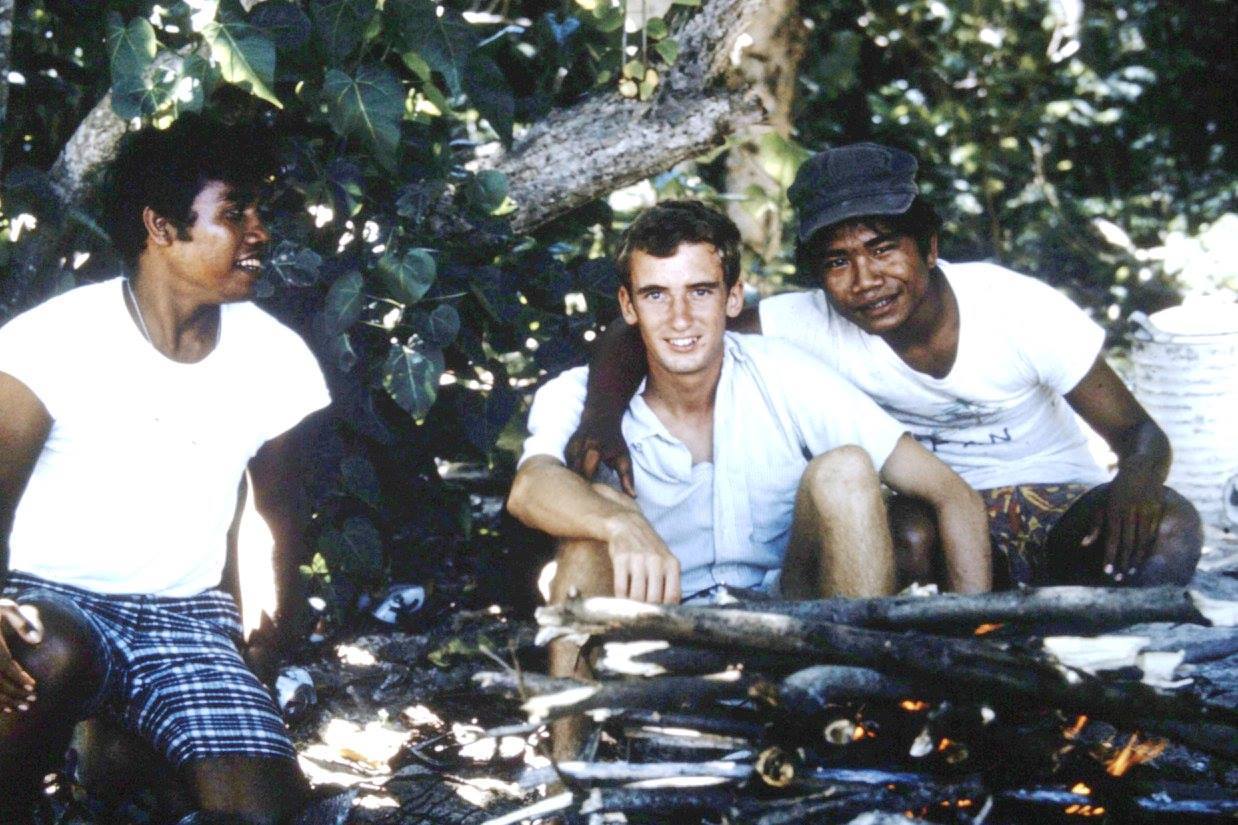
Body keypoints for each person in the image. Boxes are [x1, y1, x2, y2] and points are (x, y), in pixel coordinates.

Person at [570, 143, 1203, 591]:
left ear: (928, 248)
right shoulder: (809, 319)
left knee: (1168, 526)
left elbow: (1140, 434)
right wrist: (602, 414)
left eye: (883, 249)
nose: (866, 281)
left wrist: (1137, 487)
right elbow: (670, 326)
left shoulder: (1015, 309)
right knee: (897, 535)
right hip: (929, 516)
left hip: (1052, 505)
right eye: (838, 261)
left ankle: (1108, 665)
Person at [507, 201, 989, 758]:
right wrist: (619, 524)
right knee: (586, 520)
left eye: (701, 291)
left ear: (733, 297)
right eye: (656, 295)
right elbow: (530, 487)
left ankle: (852, 739)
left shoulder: (782, 370)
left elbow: (948, 490)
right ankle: (572, 775)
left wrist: (975, 661)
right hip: (648, 635)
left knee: (847, 469)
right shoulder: (576, 395)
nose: (680, 318)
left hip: (789, 625)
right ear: (628, 306)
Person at [0, 114, 331, 824]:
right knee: (37, 651)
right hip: (57, 605)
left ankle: (116, 752)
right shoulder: (50, 343)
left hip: (188, 622)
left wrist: (260, 638)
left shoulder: (274, 357)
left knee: (263, 815)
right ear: (160, 227)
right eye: (234, 213)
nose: (259, 232)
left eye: (259, 212)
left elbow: (272, 516)